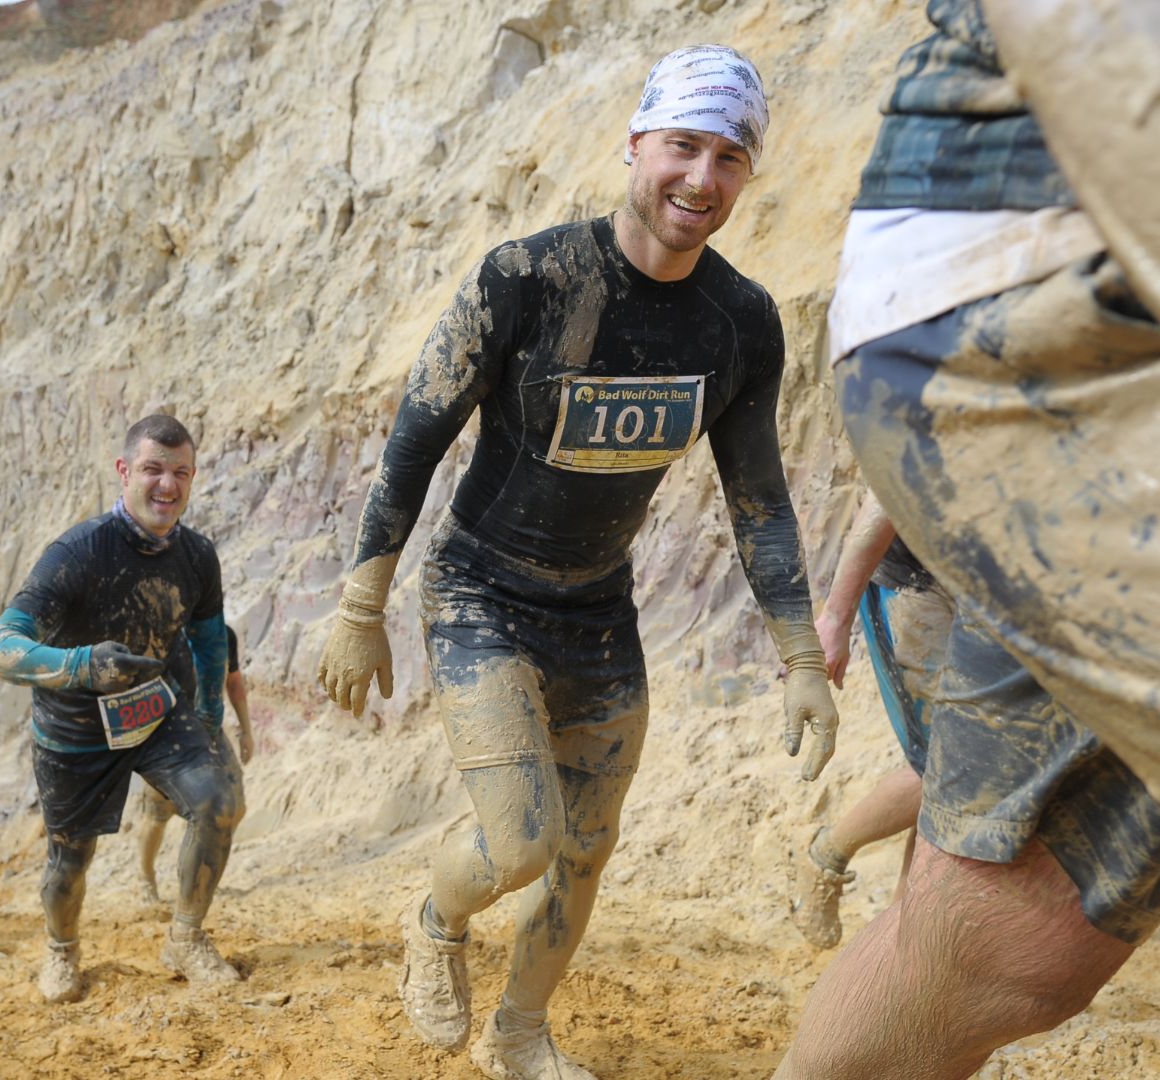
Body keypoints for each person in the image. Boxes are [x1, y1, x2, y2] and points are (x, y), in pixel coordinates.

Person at [771, 0, 1160, 1073]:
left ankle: (834, 856)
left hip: (1009, 389)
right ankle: (826, 849)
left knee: (1004, 923)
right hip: (1080, 318)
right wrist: (838, 595)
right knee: (967, 873)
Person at [316, 45, 838, 1080]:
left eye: (731, 157)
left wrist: (800, 660)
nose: (702, 179)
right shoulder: (524, 279)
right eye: (684, 146)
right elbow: (417, 435)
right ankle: (435, 917)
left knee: (586, 851)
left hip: (598, 613)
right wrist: (359, 599)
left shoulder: (741, 322)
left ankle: (516, 1035)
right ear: (636, 142)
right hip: (480, 595)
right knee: (520, 845)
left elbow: (760, 499)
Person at [0, 414, 246, 1002]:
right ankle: (62, 951)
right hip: (74, 724)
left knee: (220, 802)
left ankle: (186, 937)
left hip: (158, 711)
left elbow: (207, 637)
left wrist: (209, 719)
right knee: (69, 862)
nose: (166, 486)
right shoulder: (77, 553)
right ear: (125, 472)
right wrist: (78, 666)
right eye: (152, 469)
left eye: (180, 472)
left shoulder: (197, 555)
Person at [788, 490, 948, 949]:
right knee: (945, 768)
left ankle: (904, 928)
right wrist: (835, 618)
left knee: (953, 777)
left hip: (974, 586)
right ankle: (824, 854)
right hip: (913, 585)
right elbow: (886, 488)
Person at [136, 622, 254, 907]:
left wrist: (246, 730)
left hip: (211, 730)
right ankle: (146, 880)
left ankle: (201, 878)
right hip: (168, 732)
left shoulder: (223, 634)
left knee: (234, 807)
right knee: (157, 811)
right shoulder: (162, 633)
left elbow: (234, 682)